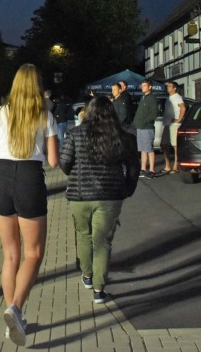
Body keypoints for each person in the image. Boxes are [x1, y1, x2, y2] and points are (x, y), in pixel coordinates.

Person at [0, 64, 59, 347]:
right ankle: (15, 309)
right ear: (37, 85)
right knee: (34, 253)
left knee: (10, 254)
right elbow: (53, 161)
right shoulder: (45, 116)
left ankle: (12, 317)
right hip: (29, 179)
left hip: (2, 178)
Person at [59, 95, 139, 304]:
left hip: (80, 195)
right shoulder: (124, 137)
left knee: (83, 236)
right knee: (103, 242)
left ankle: (86, 275)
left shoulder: (75, 134)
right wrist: (128, 189)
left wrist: (73, 172)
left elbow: (65, 161)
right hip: (111, 195)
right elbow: (133, 167)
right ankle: (99, 289)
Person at [133, 80, 158, 178]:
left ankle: (151, 170)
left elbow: (153, 114)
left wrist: (144, 122)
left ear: (150, 87)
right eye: (142, 85)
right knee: (143, 149)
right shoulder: (143, 98)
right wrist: (136, 122)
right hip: (140, 127)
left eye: (144, 85)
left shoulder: (152, 98)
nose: (142, 87)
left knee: (149, 149)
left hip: (147, 128)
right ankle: (143, 169)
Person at [160, 81, 186, 174]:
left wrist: (179, 119)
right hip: (168, 123)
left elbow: (183, 108)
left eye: (170, 86)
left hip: (175, 124)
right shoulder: (169, 97)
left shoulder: (177, 97)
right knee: (164, 144)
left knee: (175, 145)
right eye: (168, 86)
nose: (168, 88)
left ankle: (175, 166)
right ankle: (167, 166)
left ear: (175, 88)